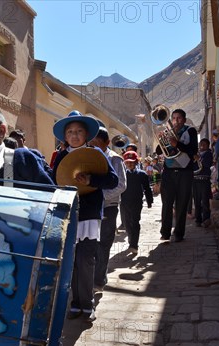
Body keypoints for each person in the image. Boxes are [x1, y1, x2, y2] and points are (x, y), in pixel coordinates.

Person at [51, 111, 118, 321]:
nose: (74, 135)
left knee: (86, 259)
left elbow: (112, 181)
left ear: (86, 134)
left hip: (89, 215)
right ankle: (75, 303)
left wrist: (91, 180)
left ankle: (87, 304)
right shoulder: (61, 157)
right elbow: (54, 181)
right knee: (70, 261)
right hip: (68, 214)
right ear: (65, 136)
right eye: (70, 131)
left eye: (79, 131)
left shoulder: (96, 154)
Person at [89, 126, 126, 291]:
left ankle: (98, 280)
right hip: (91, 208)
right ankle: (96, 276)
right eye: (92, 143)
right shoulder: (88, 157)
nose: (94, 146)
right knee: (92, 244)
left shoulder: (115, 159)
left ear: (107, 142)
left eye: (97, 143)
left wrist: (101, 195)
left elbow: (121, 185)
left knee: (104, 244)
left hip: (108, 207)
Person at [157, 108, 198, 242]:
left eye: (179, 118)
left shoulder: (190, 131)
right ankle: (165, 232)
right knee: (167, 203)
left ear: (184, 120)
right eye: (174, 118)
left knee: (182, 203)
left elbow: (192, 150)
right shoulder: (169, 132)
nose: (176, 121)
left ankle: (179, 233)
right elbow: (159, 151)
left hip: (185, 171)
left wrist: (177, 144)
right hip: (168, 172)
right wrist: (162, 139)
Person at [120, 151, 153, 254]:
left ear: (136, 162)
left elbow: (147, 188)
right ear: (124, 163)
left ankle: (134, 244)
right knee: (126, 223)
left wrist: (149, 201)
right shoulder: (122, 174)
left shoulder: (142, 174)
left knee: (135, 222)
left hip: (137, 202)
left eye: (132, 162)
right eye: (128, 162)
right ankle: (131, 239)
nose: (130, 164)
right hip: (124, 202)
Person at [193, 138, 213, 227]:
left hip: (204, 180)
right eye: (201, 144)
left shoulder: (209, 154)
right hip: (196, 180)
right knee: (197, 201)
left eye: (204, 144)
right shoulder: (197, 154)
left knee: (205, 200)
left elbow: (207, 164)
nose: (201, 146)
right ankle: (198, 219)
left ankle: (206, 219)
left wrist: (199, 159)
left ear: (208, 146)